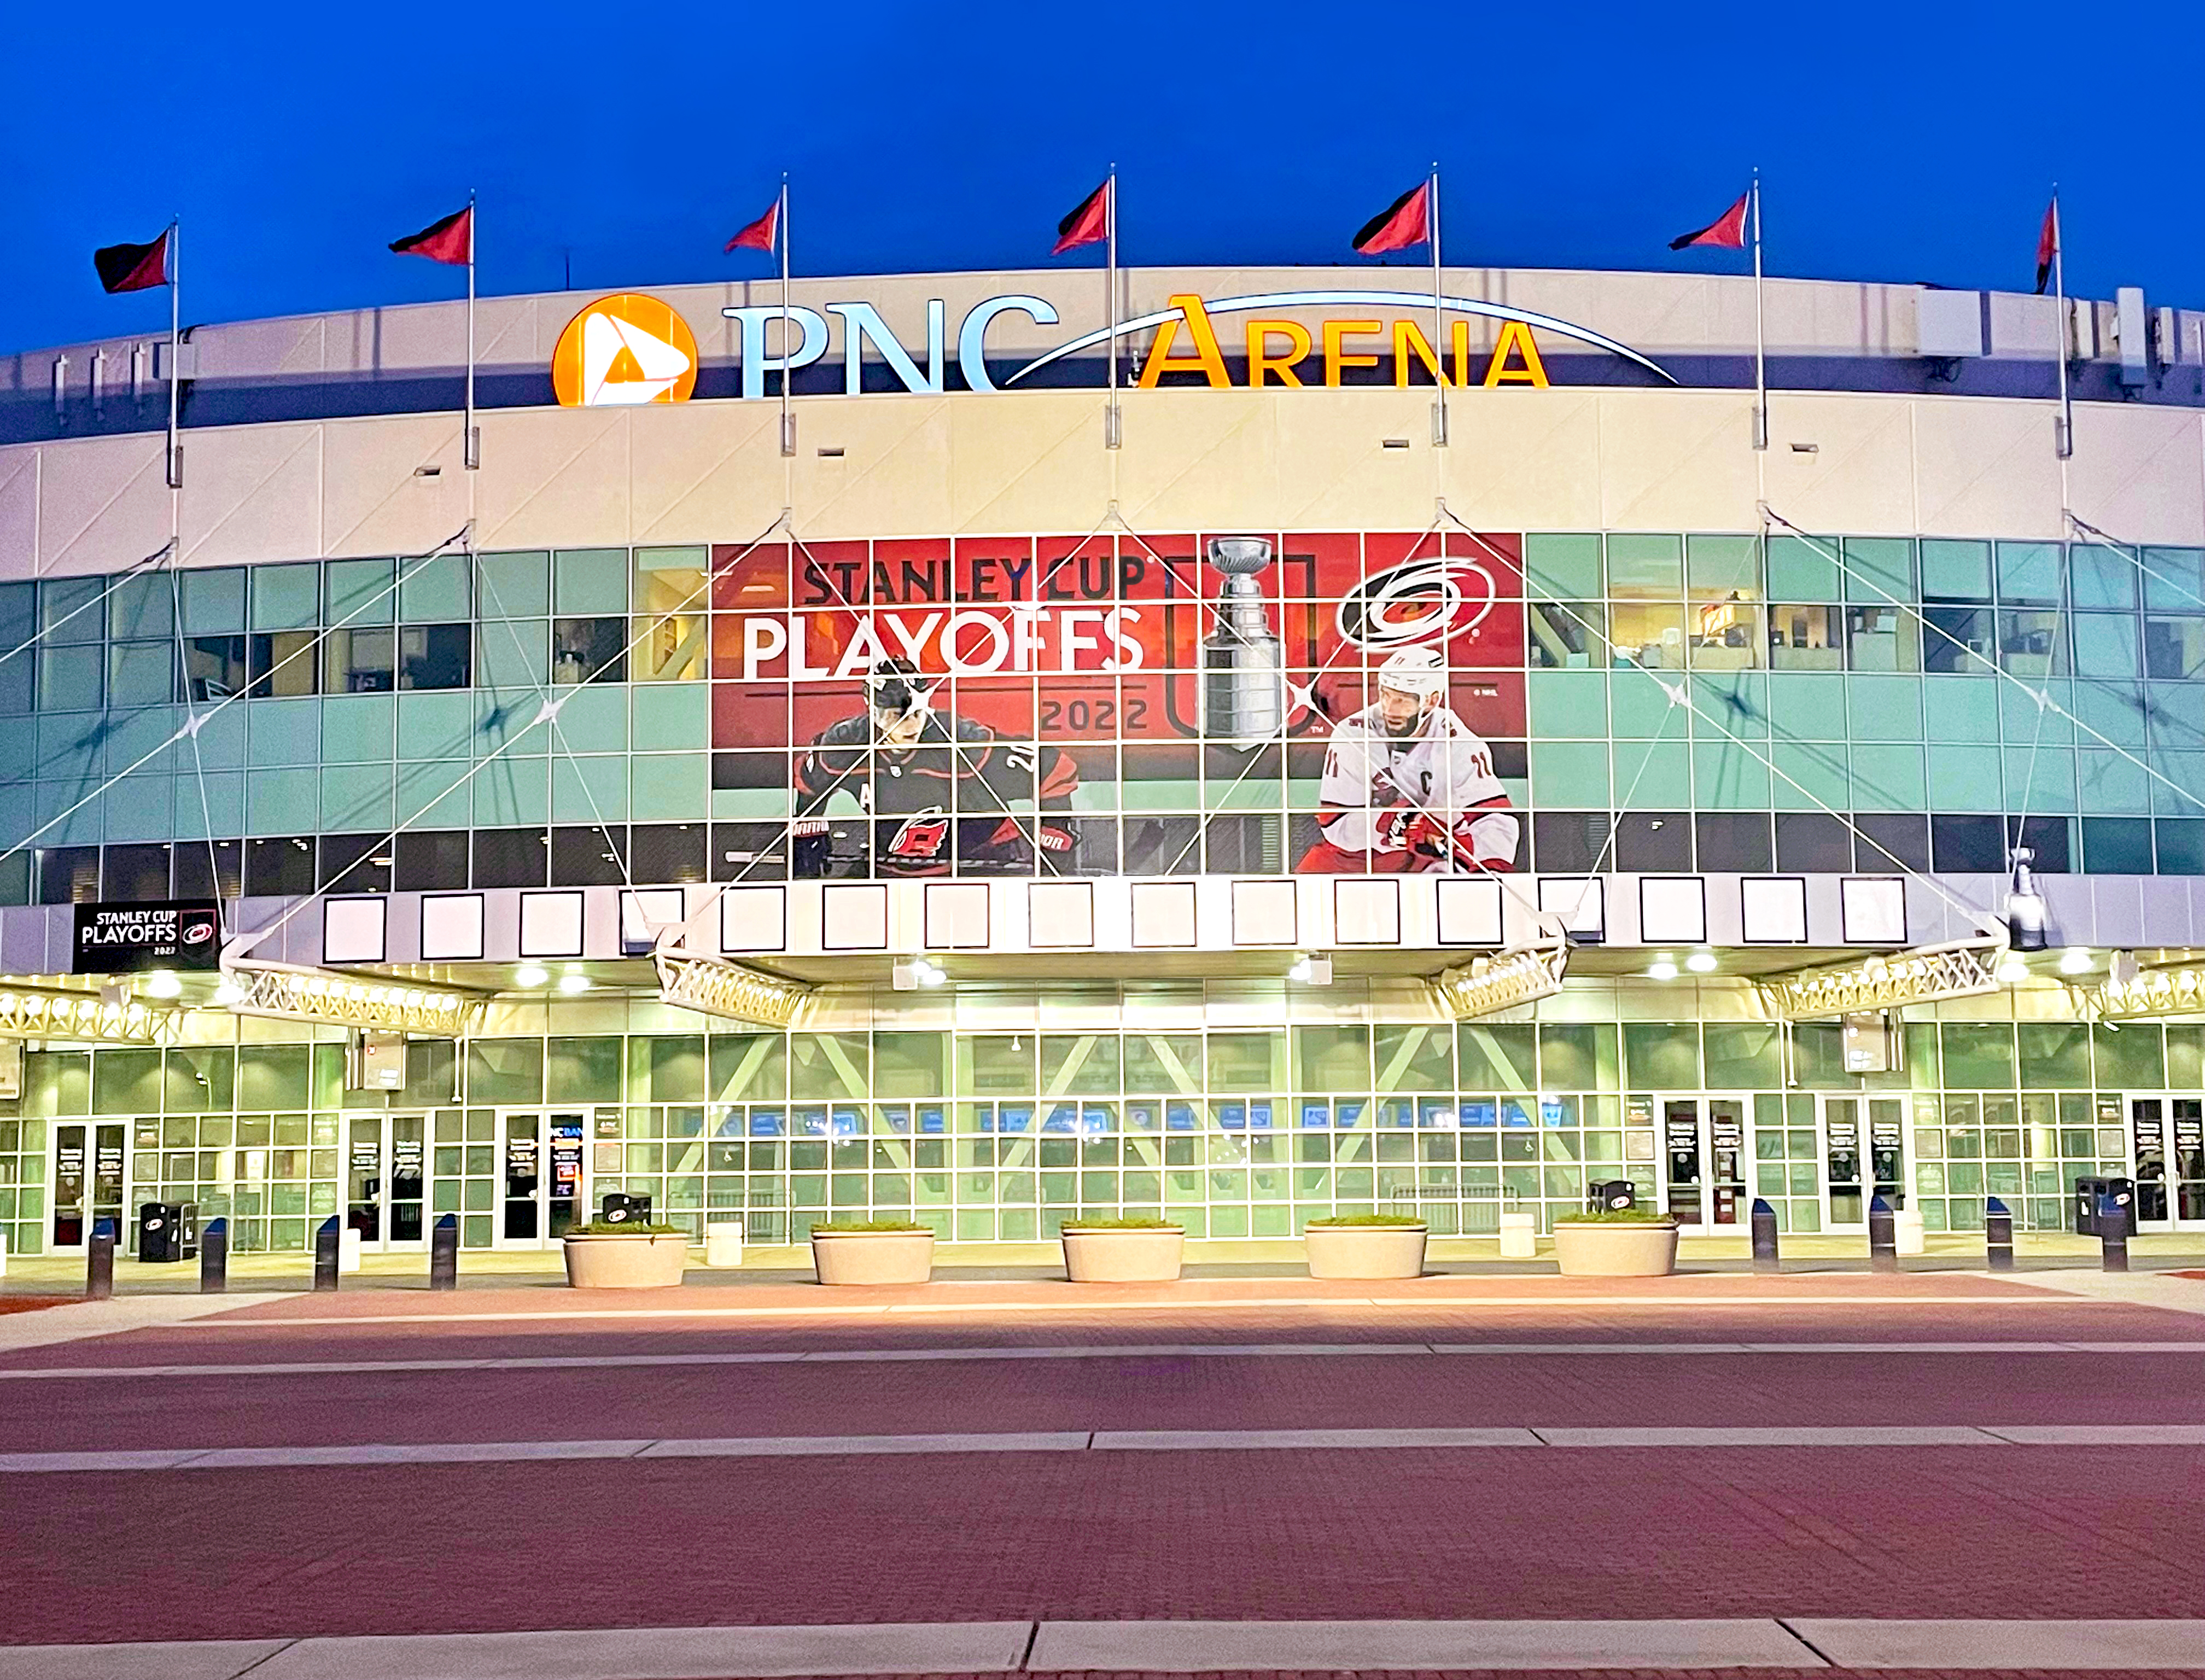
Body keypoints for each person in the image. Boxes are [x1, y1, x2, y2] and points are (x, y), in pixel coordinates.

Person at [791, 659, 1080, 878]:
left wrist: (1055, 832)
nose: (910, 724)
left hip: (983, 860)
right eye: (897, 715)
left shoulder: (960, 739)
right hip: (894, 864)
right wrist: (808, 829)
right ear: (872, 709)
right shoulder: (846, 743)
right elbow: (809, 780)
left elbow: (1054, 767)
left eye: (917, 713)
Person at [1295, 646, 1519, 873]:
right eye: (1386, 695)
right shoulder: (1352, 734)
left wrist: (1489, 866)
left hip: (1429, 860)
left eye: (1402, 700)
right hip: (1357, 859)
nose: (1389, 709)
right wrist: (1395, 822)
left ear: (1431, 701)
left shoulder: (1460, 744)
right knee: (1303, 893)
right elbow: (1335, 823)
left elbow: (1495, 819)